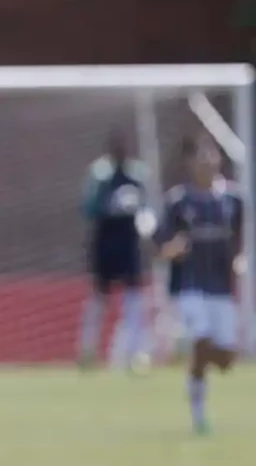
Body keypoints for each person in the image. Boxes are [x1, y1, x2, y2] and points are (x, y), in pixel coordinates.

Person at [154, 135, 243, 434]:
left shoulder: (233, 200)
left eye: (212, 155)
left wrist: (239, 262)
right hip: (189, 287)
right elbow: (161, 246)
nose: (207, 161)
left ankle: (185, 350)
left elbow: (239, 241)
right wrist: (172, 249)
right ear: (190, 163)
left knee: (226, 361)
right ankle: (198, 413)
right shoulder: (178, 202)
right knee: (203, 340)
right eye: (201, 156)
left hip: (221, 288)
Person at [77, 131, 153, 370]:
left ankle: (135, 353)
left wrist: (145, 220)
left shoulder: (138, 175)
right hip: (105, 244)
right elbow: (87, 209)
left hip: (129, 245)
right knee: (99, 299)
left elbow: (147, 208)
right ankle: (87, 351)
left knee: (133, 299)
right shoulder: (100, 175)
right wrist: (110, 206)